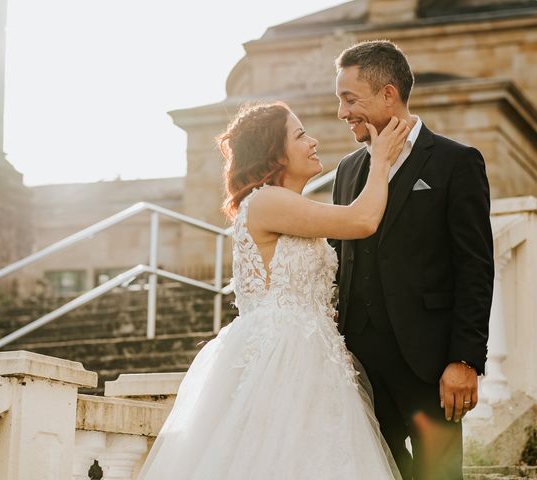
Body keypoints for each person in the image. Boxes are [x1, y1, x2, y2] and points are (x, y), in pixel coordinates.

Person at [136, 101, 409, 479]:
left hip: (316, 354)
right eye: (299, 135)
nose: (312, 142)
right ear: (274, 153)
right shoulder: (266, 200)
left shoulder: (287, 204)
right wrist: (380, 162)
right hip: (284, 354)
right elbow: (362, 220)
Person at [330, 40, 494, 480]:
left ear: (388, 94)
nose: (342, 113)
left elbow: (475, 267)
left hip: (430, 365)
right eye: (339, 101)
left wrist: (465, 359)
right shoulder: (347, 171)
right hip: (359, 366)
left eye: (350, 99)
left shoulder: (455, 163)